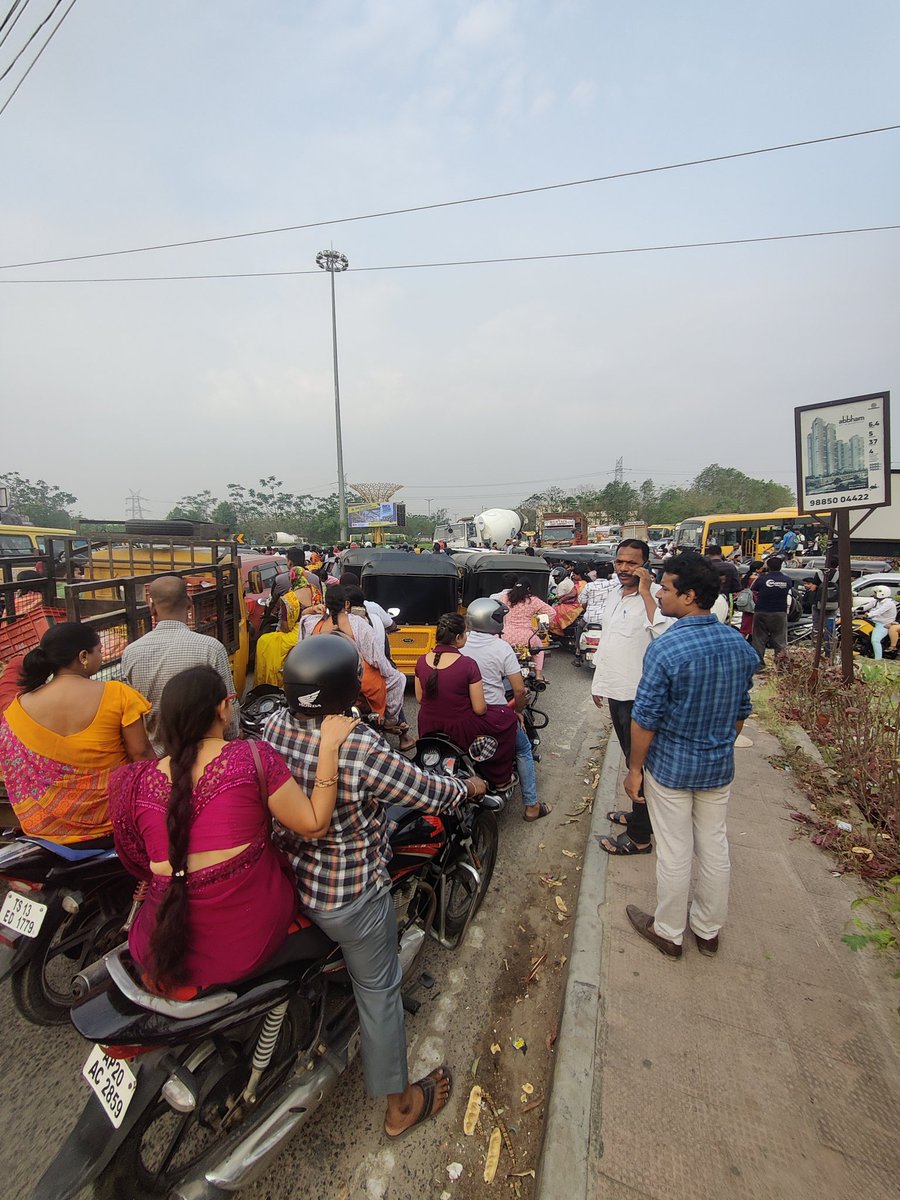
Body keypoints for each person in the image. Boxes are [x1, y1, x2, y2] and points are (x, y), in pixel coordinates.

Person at [265, 636, 488, 1137]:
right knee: (381, 990)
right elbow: (421, 789)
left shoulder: (274, 724)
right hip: (345, 895)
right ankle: (400, 1104)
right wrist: (466, 787)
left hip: (285, 878)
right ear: (346, 689)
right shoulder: (356, 743)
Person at [110, 664, 357, 995]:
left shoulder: (135, 781)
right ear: (223, 709)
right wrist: (328, 747)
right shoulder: (251, 758)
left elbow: (138, 862)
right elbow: (314, 824)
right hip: (246, 933)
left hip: (155, 938)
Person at [623, 554, 759, 958]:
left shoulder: (667, 648)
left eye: (665, 588)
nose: (659, 594)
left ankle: (668, 931)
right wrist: (717, 741)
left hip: (671, 768)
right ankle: (707, 930)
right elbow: (740, 711)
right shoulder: (739, 645)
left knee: (676, 850)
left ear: (689, 596)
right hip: (718, 766)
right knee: (714, 846)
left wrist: (634, 768)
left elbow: (644, 720)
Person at [0, 622, 153, 842]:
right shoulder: (118, 695)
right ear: (83, 656)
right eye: (99, 651)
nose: (101, 657)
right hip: (112, 822)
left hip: (43, 829)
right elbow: (141, 755)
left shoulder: (19, 707)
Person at [590, 539, 672, 856]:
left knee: (640, 765)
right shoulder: (614, 593)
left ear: (645, 565)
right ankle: (639, 816)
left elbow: (663, 632)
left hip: (639, 695)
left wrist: (648, 592)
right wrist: (599, 682)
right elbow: (609, 641)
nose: (624, 568)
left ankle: (640, 837)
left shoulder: (652, 599)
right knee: (631, 760)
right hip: (615, 690)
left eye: (632, 563)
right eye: (620, 561)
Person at [120, 575, 239, 754]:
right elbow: (229, 705)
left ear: (152, 609)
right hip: (205, 757)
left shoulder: (131, 653)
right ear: (189, 603)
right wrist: (233, 740)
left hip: (157, 757)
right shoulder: (211, 648)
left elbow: (130, 715)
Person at [461, 598, 548, 821]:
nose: (502, 622)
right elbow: (519, 691)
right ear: (490, 620)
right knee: (524, 749)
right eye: (499, 617)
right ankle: (531, 806)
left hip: (466, 713)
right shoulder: (501, 648)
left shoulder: (461, 643)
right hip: (495, 713)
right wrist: (518, 711)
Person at [414, 612, 518, 788]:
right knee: (508, 719)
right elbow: (479, 709)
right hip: (460, 728)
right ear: (458, 637)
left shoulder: (422, 661)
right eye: (465, 634)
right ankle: (501, 779)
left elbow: (419, 698)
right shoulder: (467, 664)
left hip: (427, 724)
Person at [302, 586, 410, 745]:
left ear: (326, 602)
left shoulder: (312, 622)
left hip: (322, 676)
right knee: (398, 678)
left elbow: (302, 622)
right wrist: (387, 670)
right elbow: (376, 657)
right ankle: (390, 720)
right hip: (355, 678)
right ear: (346, 604)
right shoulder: (357, 623)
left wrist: (311, 609)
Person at [501, 579, 556, 683]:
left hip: (506, 636)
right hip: (527, 637)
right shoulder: (533, 601)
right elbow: (551, 612)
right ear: (528, 590)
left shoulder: (505, 598)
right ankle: (539, 675)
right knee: (539, 649)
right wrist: (538, 628)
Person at [750, 556, 792, 670]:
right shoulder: (787, 580)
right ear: (781, 566)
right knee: (780, 640)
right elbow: (789, 590)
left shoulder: (761, 579)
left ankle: (758, 666)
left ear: (767, 566)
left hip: (761, 611)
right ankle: (781, 667)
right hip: (779, 612)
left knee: (759, 639)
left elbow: (754, 589)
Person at [855, 586, 898, 659]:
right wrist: (852, 609)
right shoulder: (876, 601)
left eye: (875, 593)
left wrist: (866, 615)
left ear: (882, 594)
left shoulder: (888, 603)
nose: (874, 594)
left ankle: (878, 659)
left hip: (883, 624)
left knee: (875, 640)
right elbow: (865, 607)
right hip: (873, 621)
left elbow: (878, 612)